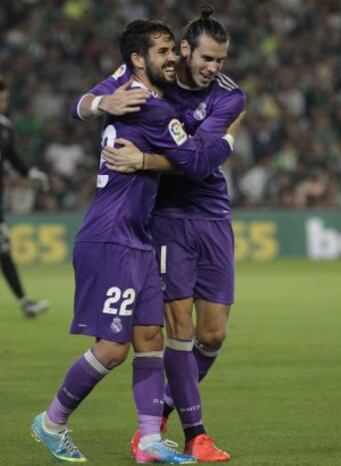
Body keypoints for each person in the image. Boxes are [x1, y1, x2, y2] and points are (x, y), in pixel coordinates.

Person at [32, 19, 241, 464]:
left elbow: (86, 105)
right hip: (112, 236)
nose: (173, 60)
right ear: (139, 60)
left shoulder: (141, 92)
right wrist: (227, 139)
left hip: (140, 234)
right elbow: (198, 161)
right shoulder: (149, 107)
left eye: (171, 51)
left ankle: (149, 442)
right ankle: (50, 421)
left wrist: (105, 108)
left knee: (149, 336)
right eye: (166, 52)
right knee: (112, 348)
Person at [0, 78, 50, 317]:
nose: (2, 103)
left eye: (4, 99)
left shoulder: (6, 127)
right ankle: (25, 302)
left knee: (4, 250)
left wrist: (31, 173)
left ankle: (25, 302)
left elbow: (14, 159)